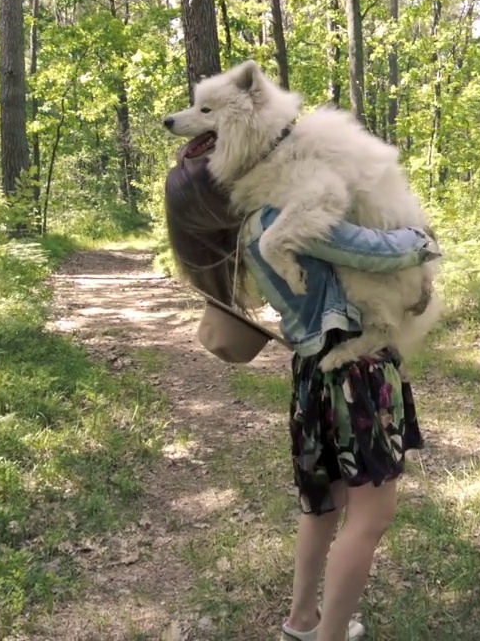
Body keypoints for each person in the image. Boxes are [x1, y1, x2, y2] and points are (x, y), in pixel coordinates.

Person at [164, 150, 436, 641]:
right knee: (370, 518)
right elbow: (376, 250)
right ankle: (328, 635)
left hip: (316, 374)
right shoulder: (279, 219)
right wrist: (422, 238)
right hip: (358, 374)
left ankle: (303, 620)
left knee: (326, 504)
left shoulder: (248, 237)